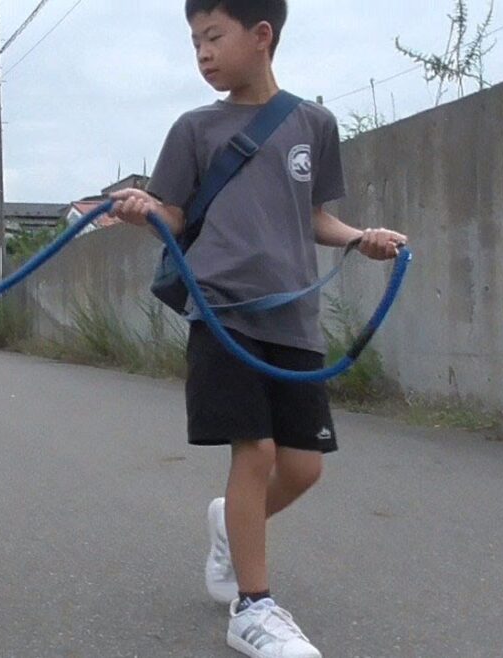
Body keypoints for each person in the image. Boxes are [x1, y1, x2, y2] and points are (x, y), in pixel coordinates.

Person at [109, 1, 406, 656]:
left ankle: (228, 531)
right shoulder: (194, 128)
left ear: (262, 35)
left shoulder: (314, 124)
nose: (203, 53)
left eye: (213, 36)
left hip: (294, 319)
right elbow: (175, 216)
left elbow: (315, 218)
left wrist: (362, 239)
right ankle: (253, 607)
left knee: (302, 469)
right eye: (194, 42)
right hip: (222, 310)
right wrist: (143, 210)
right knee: (257, 452)